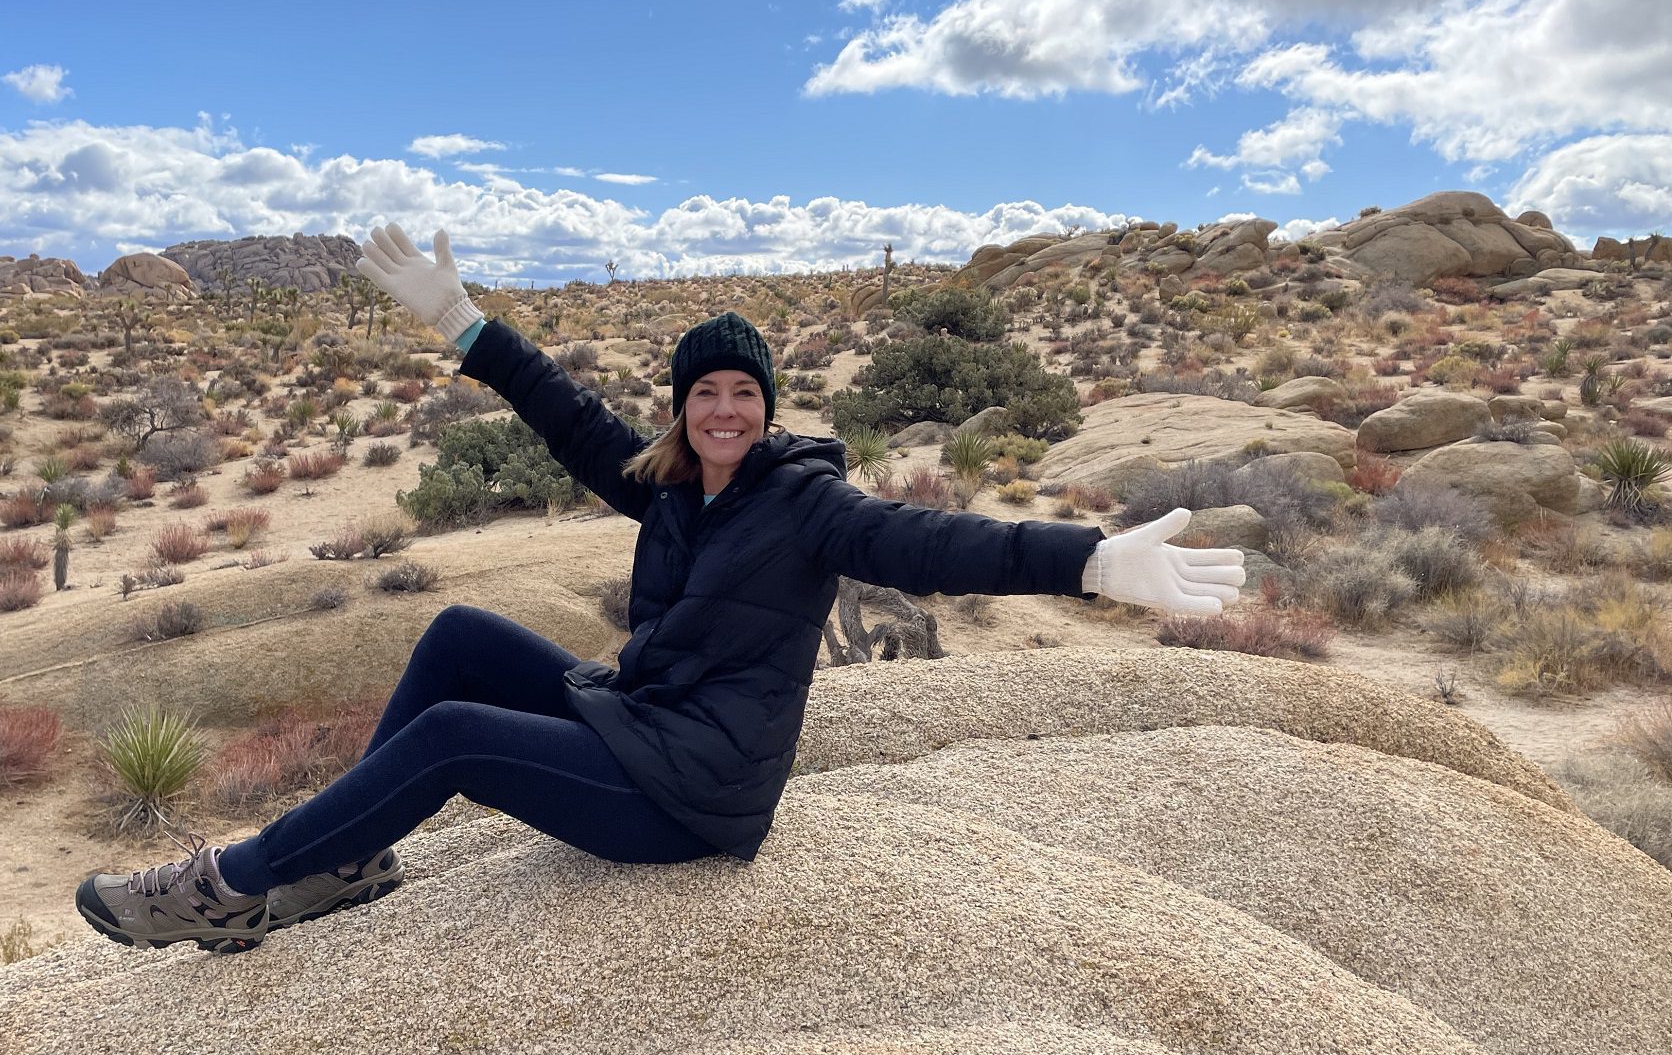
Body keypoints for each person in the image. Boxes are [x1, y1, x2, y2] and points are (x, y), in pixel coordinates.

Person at [75, 224, 1244, 953]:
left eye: (744, 394)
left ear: (769, 408)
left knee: (451, 738)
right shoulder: (678, 490)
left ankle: (230, 885)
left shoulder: (805, 505)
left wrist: (1088, 561)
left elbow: (932, 543)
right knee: (457, 635)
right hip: (644, 726)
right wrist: (464, 323)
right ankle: (344, 864)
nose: (724, 411)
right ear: (685, 409)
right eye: (705, 395)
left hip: (688, 799)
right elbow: (573, 420)